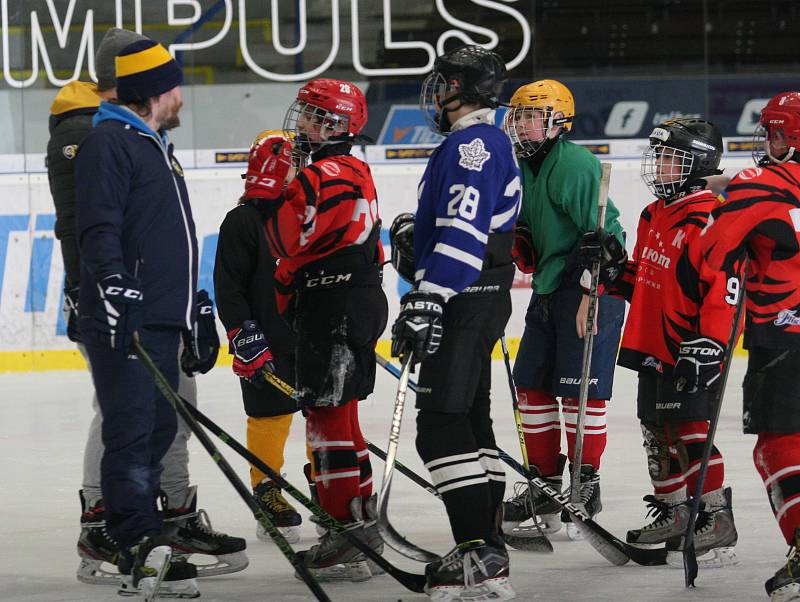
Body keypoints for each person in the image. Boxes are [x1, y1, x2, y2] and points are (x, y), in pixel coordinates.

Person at [47, 28, 245, 589]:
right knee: (131, 433)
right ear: (154, 91)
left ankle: (149, 531)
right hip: (127, 317)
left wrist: (194, 307)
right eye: (174, 86)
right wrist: (111, 284)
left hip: (162, 315)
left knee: (158, 429)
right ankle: (135, 544)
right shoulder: (108, 142)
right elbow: (98, 226)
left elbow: (165, 238)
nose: (181, 96)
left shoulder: (152, 144)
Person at [390, 44, 520, 601]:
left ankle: (479, 556)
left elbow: (465, 234)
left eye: (442, 81)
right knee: (470, 421)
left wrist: (429, 294)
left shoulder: (472, 145)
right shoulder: (480, 140)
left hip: (463, 297)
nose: (434, 91)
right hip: (478, 296)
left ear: (459, 90)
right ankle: (488, 545)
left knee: (440, 425)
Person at [580, 117, 739, 567]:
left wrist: (710, 342)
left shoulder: (711, 216)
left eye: (672, 158)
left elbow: (723, 287)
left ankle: (715, 515)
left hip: (689, 345)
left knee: (691, 430)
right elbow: (648, 281)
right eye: (661, 156)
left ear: (698, 165)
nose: (661, 166)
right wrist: (614, 271)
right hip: (651, 340)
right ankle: (673, 510)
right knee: (657, 431)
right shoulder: (654, 214)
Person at [253, 78, 387, 582]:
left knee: (326, 422)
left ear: (339, 125)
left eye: (316, 116)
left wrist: (265, 197)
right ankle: (359, 517)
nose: (304, 123)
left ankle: (344, 533)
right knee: (343, 417)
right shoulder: (352, 168)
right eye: (305, 112)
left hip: (333, 305)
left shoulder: (322, 174)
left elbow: (286, 242)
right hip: (352, 299)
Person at [499, 79, 626, 540]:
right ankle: (545, 484)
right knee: (531, 387)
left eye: (531, 116)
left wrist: (593, 293)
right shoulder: (525, 164)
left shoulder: (573, 164)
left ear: (557, 123)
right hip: (550, 289)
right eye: (518, 115)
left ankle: (585, 480)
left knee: (579, 393)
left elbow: (609, 236)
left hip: (586, 291)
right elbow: (529, 228)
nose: (521, 123)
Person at [697, 91, 800, 599]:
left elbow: (709, 253)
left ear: (787, 137)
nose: (767, 141)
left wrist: (726, 199)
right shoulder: (761, 183)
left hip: (784, 336)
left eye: (773, 133)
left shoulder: (761, 184)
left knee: (779, 446)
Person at [214, 129, 303, 543]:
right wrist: (242, 334)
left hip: (309, 334)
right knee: (269, 413)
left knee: (325, 413)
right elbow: (229, 287)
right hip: (267, 337)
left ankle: (326, 480)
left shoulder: (308, 212)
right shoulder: (243, 221)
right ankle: (267, 489)